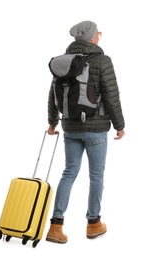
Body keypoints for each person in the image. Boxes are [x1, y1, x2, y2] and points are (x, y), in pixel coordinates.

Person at [46, 20, 125, 243]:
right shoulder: (102, 61)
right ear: (91, 37)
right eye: (98, 32)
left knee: (69, 173)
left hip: (70, 126)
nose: (100, 34)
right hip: (96, 128)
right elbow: (111, 95)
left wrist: (52, 123)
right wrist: (119, 125)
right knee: (96, 176)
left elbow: (52, 95)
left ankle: (55, 226)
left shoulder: (63, 61)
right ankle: (93, 223)